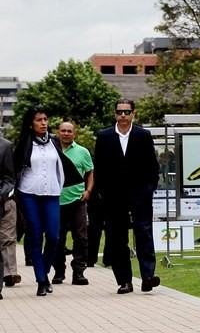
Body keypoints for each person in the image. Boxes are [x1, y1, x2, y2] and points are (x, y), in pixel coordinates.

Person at [13, 107, 83, 296]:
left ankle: (43, 272)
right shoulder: (24, 142)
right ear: (31, 123)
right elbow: (15, 168)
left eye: (45, 119)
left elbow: (62, 165)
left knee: (53, 236)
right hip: (29, 194)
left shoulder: (54, 141)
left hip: (52, 193)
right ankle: (41, 281)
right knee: (35, 235)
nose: (43, 123)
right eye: (39, 120)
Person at [94, 99, 160, 294]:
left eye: (127, 112)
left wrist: (150, 188)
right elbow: (99, 167)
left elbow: (152, 165)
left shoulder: (143, 135)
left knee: (144, 234)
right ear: (115, 114)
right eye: (119, 112)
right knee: (117, 237)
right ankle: (124, 280)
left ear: (133, 114)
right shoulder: (104, 136)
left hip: (140, 194)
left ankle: (148, 276)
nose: (123, 115)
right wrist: (102, 192)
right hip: (113, 196)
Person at [51, 122, 94, 286]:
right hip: (56, 201)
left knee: (81, 238)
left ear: (74, 133)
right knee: (57, 238)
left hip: (78, 201)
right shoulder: (51, 151)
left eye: (69, 131)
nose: (66, 133)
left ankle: (79, 272)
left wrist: (88, 191)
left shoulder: (82, 152)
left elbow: (90, 173)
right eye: (63, 131)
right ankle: (58, 272)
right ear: (58, 132)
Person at [0, 136, 17, 298]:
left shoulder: (5, 146)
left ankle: (10, 273)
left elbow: (9, 178)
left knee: (7, 237)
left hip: (4, 201)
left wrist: (2, 195)